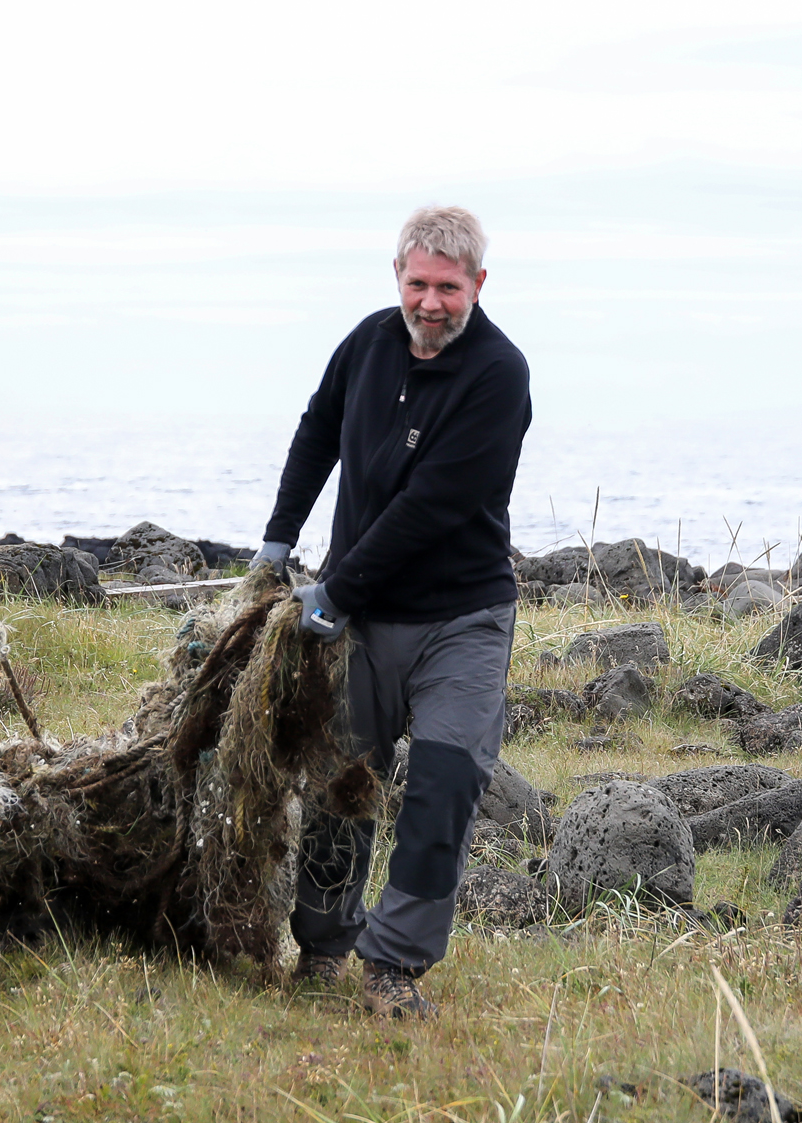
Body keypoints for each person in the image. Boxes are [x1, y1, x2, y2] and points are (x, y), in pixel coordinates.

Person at [253, 205, 530, 1019]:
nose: (432, 302)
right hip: (366, 622)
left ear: (478, 284)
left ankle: (395, 965)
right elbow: (317, 431)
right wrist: (278, 540)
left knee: (443, 783)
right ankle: (325, 944)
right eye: (418, 283)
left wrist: (335, 591)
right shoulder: (369, 342)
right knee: (343, 783)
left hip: (462, 619)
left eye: (449, 287)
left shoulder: (498, 374)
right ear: (397, 278)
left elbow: (432, 506)